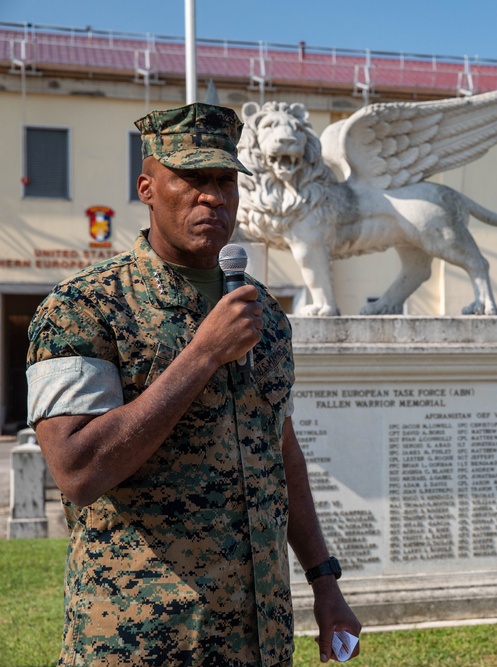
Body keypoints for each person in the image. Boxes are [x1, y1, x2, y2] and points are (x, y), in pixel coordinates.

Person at [25, 103, 360, 666]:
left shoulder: (263, 314)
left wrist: (325, 583)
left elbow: (281, 447)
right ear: (148, 187)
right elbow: (78, 470)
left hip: (259, 636)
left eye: (225, 181)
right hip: (143, 639)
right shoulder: (84, 308)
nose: (214, 197)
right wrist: (203, 353)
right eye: (193, 179)